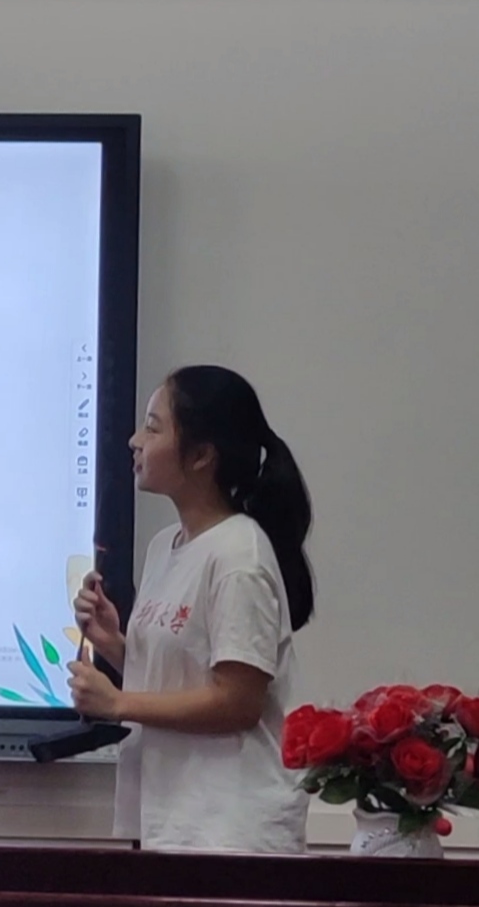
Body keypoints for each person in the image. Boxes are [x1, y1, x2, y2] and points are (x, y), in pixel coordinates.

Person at [68, 365, 314, 854]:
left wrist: (116, 703)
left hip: (231, 832)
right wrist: (116, 646)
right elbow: (188, 676)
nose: (135, 441)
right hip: (173, 819)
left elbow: (238, 702)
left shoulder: (239, 556)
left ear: (201, 455)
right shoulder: (166, 545)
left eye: (153, 427)